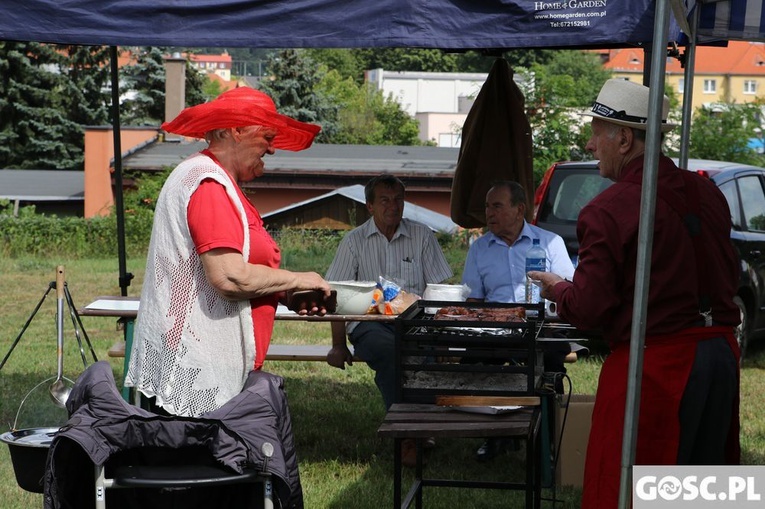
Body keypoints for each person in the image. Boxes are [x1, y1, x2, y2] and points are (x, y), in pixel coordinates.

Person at [530, 79, 740, 509]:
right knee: (705, 493)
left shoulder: (608, 210)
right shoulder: (708, 192)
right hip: (719, 359)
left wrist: (560, 289)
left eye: (595, 133)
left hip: (658, 366)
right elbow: (729, 274)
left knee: (631, 490)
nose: (590, 146)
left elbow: (589, 309)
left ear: (624, 139)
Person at [125, 87, 332, 420]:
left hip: (200, 357)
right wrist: (297, 279)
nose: (273, 149)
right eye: (267, 136)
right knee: (202, 466)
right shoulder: (208, 184)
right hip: (198, 363)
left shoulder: (216, 180)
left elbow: (239, 269)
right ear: (236, 131)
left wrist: (285, 293)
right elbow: (229, 276)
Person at [325, 174, 453, 466]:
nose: (393, 207)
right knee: (391, 353)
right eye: (384, 200)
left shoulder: (422, 235)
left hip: (415, 322)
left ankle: (418, 428)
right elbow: (336, 293)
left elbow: (440, 290)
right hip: (368, 323)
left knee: (424, 355)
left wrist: (443, 337)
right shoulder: (354, 241)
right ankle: (410, 435)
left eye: (398, 200)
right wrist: (337, 345)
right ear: (369, 206)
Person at [461, 180, 575, 461]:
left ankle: (548, 439)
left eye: (497, 206)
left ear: (519, 209)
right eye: (487, 206)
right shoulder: (480, 248)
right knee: (478, 363)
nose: (489, 213)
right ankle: (496, 435)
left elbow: (567, 289)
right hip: (495, 328)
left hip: (541, 325)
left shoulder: (549, 242)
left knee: (550, 364)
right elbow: (473, 300)